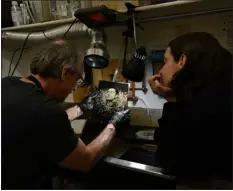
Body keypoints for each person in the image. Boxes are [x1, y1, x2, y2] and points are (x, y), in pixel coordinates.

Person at [1, 40, 130, 189]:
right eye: (76, 80)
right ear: (65, 73)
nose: (74, 89)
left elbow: (37, 120)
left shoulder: (7, 83)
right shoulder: (46, 111)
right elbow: (86, 160)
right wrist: (113, 124)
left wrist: (80, 108)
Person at [148, 32, 232, 187]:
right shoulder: (220, 90)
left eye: (165, 62)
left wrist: (172, 100)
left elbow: (168, 160)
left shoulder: (195, 107)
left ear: (182, 61)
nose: (160, 71)